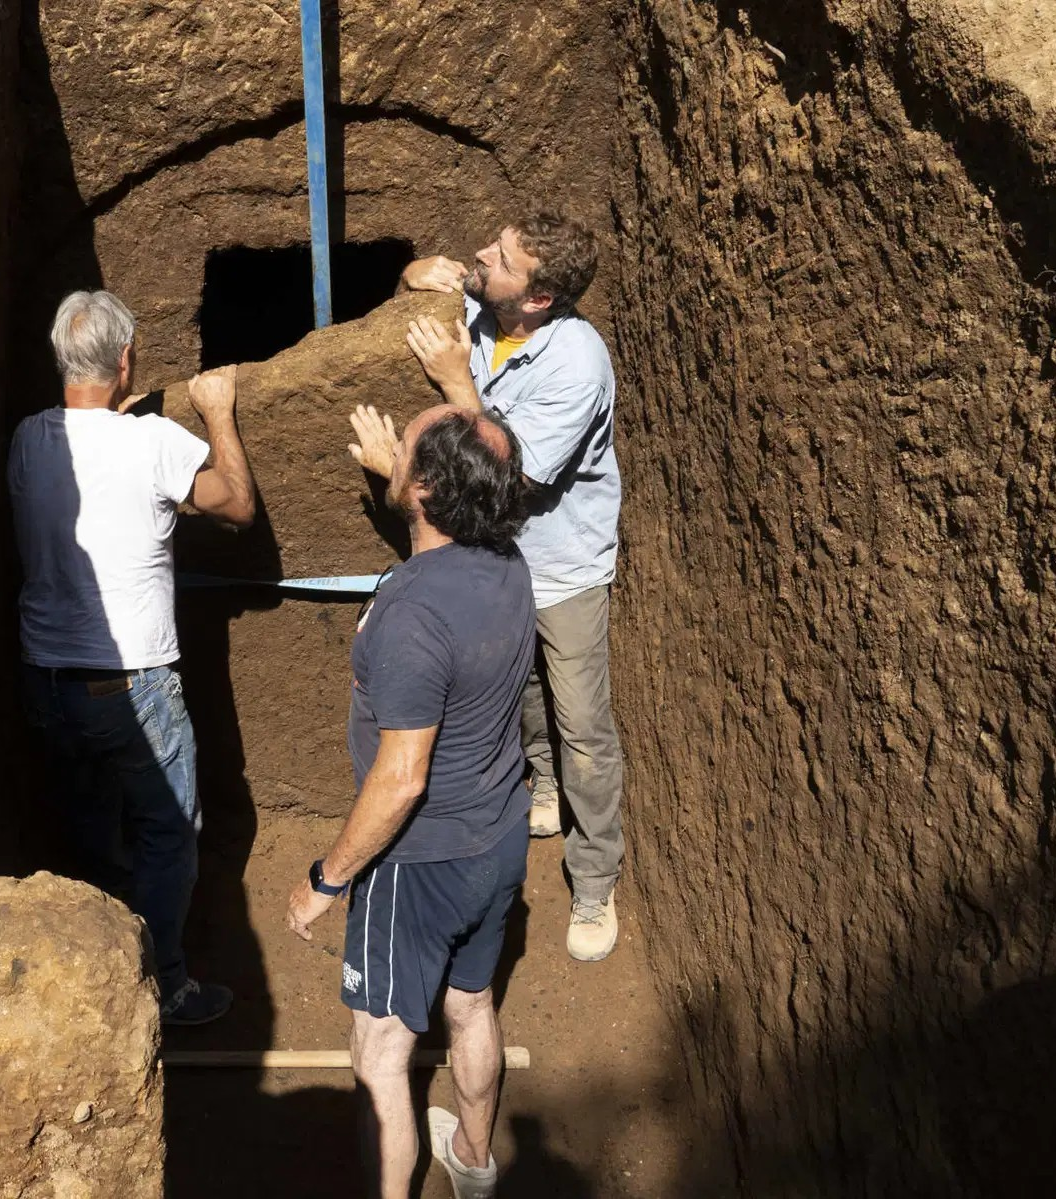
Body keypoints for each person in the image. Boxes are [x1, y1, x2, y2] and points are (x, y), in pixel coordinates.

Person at [286, 402, 534, 1199]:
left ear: (425, 488)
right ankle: (472, 1157)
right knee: (471, 1004)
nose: (392, 448)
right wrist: (400, 472)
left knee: (381, 1048)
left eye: (406, 447)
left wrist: (327, 879)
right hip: (498, 838)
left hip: (416, 863)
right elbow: (443, 558)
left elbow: (401, 779)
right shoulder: (509, 565)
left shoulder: (411, 615)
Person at [9, 289, 256, 1026]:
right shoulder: (155, 443)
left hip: (46, 683)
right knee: (168, 836)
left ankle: (100, 969)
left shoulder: (27, 439)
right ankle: (163, 985)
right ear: (125, 361)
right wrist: (216, 415)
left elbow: (91, 452)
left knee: (91, 825)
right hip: (131, 690)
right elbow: (237, 505)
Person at [397, 212, 626, 963]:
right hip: (499, 558)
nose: (481, 255)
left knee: (583, 723)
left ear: (538, 299)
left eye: (499, 258)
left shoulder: (576, 364)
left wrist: (457, 383)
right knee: (522, 689)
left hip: (561, 569)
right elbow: (431, 280)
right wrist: (420, 272)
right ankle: (544, 783)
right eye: (491, 240)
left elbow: (512, 477)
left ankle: (595, 879)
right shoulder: (488, 309)